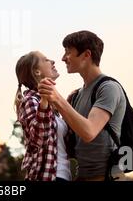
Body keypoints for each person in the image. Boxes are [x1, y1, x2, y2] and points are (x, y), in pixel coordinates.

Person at [38, 30, 126, 181]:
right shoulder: (76, 96)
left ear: (86, 54)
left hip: (106, 176)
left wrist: (58, 99)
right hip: (82, 176)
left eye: (68, 52)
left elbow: (89, 132)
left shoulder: (108, 88)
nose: (63, 58)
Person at [14, 51, 71, 181]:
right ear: (37, 72)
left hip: (62, 176)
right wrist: (44, 103)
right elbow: (38, 139)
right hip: (45, 177)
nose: (52, 61)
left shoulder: (52, 105)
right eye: (46, 60)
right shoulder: (30, 101)